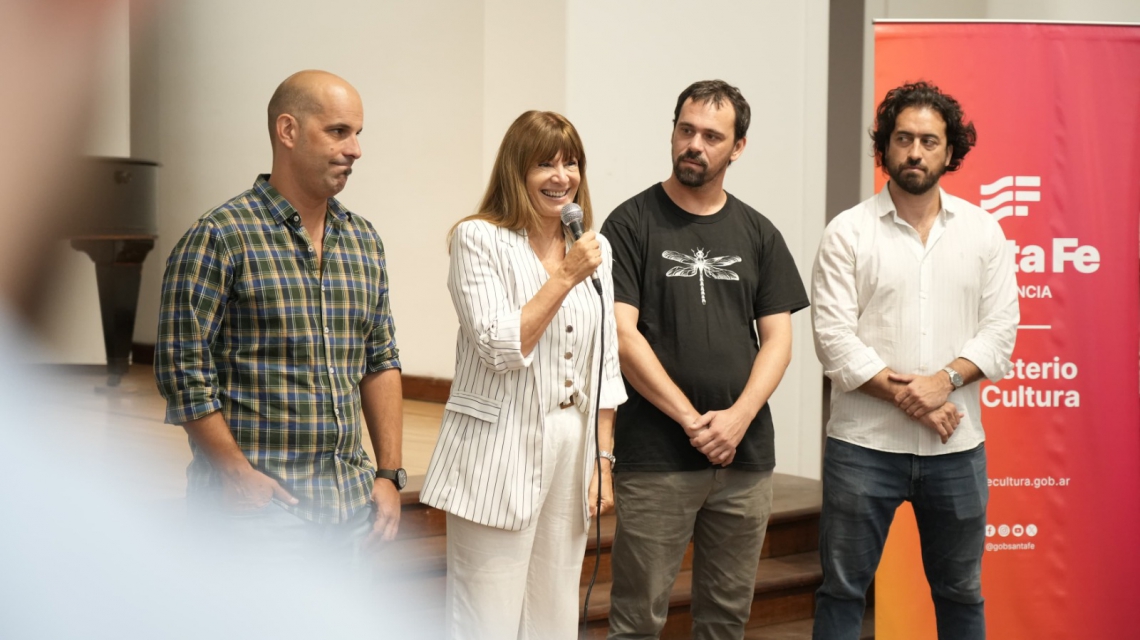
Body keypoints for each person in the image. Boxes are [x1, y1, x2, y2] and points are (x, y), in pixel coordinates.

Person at [155, 70, 405, 555]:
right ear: (288, 130)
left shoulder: (363, 240)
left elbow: (381, 361)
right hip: (257, 514)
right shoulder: (219, 237)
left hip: (353, 511)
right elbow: (182, 372)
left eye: (357, 133)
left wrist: (389, 475)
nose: (355, 150)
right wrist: (236, 473)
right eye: (338, 131)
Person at [601, 80, 810, 639]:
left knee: (725, 621)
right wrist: (693, 422)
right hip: (656, 458)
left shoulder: (759, 232)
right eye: (686, 130)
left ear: (738, 147)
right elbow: (622, 335)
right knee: (636, 622)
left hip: (744, 460)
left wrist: (738, 418)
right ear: (672, 132)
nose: (694, 144)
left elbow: (779, 341)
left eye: (712, 136)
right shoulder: (629, 223)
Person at [810, 81, 1019, 639]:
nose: (915, 152)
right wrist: (918, 397)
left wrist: (943, 382)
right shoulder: (848, 232)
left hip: (957, 449)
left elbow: (1001, 331)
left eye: (930, 141)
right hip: (863, 448)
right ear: (884, 147)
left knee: (961, 593)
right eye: (903, 139)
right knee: (842, 593)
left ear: (950, 153)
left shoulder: (984, 231)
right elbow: (833, 339)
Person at [420, 110, 626, 639]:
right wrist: (565, 276)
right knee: (486, 616)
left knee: (554, 611)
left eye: (571, 163)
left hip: (572, 444)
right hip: (497, 445)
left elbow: (605, 361)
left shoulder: (592, 248)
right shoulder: (477, 239)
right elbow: (497, 346)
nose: (561, 177)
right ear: (517, 171)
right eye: (544, 165)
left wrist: (602, 461)